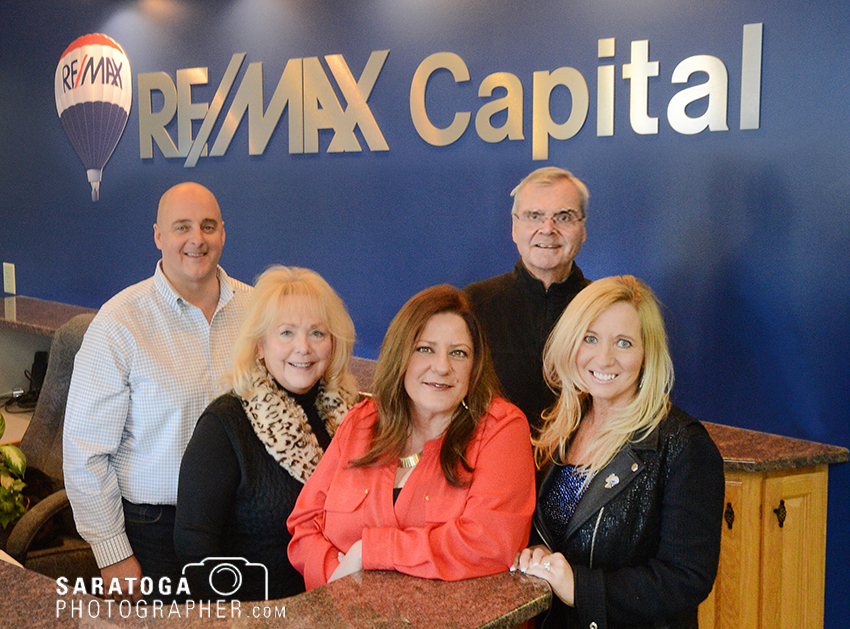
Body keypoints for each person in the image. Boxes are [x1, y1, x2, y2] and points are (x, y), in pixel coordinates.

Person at [63, 182, 252, 603]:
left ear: (223, 232)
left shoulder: (259, 312)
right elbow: (84, 451)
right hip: (155, 533)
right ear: (158, 236)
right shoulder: (119, 323)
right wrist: (112, 554)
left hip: (243, 525)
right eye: (181, 227)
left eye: (207, 226)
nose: (196, 240)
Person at [287, 285, 535, 590]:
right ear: (400, 355)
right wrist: (338, 584)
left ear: (475, 366)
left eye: (458, 353)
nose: (442, 367)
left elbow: (492, 542)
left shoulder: (501, 428)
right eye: (425, 349)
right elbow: (305, 524)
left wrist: (369, 552)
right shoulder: (361, 422)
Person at [513, 276, 724, 629]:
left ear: (647, 353)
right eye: (590, 339)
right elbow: (560, 533)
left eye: (623, 343)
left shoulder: (683, 445)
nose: (603, 358)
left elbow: (686, 578)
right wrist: (540, 555)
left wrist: (580, 588)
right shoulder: (563, 425)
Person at [174, 266, 358, 601]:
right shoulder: (224, 424)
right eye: (286, 333)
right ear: (259, 345)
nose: (303, 347)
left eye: (317, 333)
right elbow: (194, 550)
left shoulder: (354, 418)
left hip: (343, 605)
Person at [464, 167, 591, 433]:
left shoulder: (607, 310)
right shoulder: (471, 304)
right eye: (534, 216)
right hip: (489, 462)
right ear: (514, 226)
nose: (548, 229)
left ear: (582, 229)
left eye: (564, 217)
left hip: (583, 465)